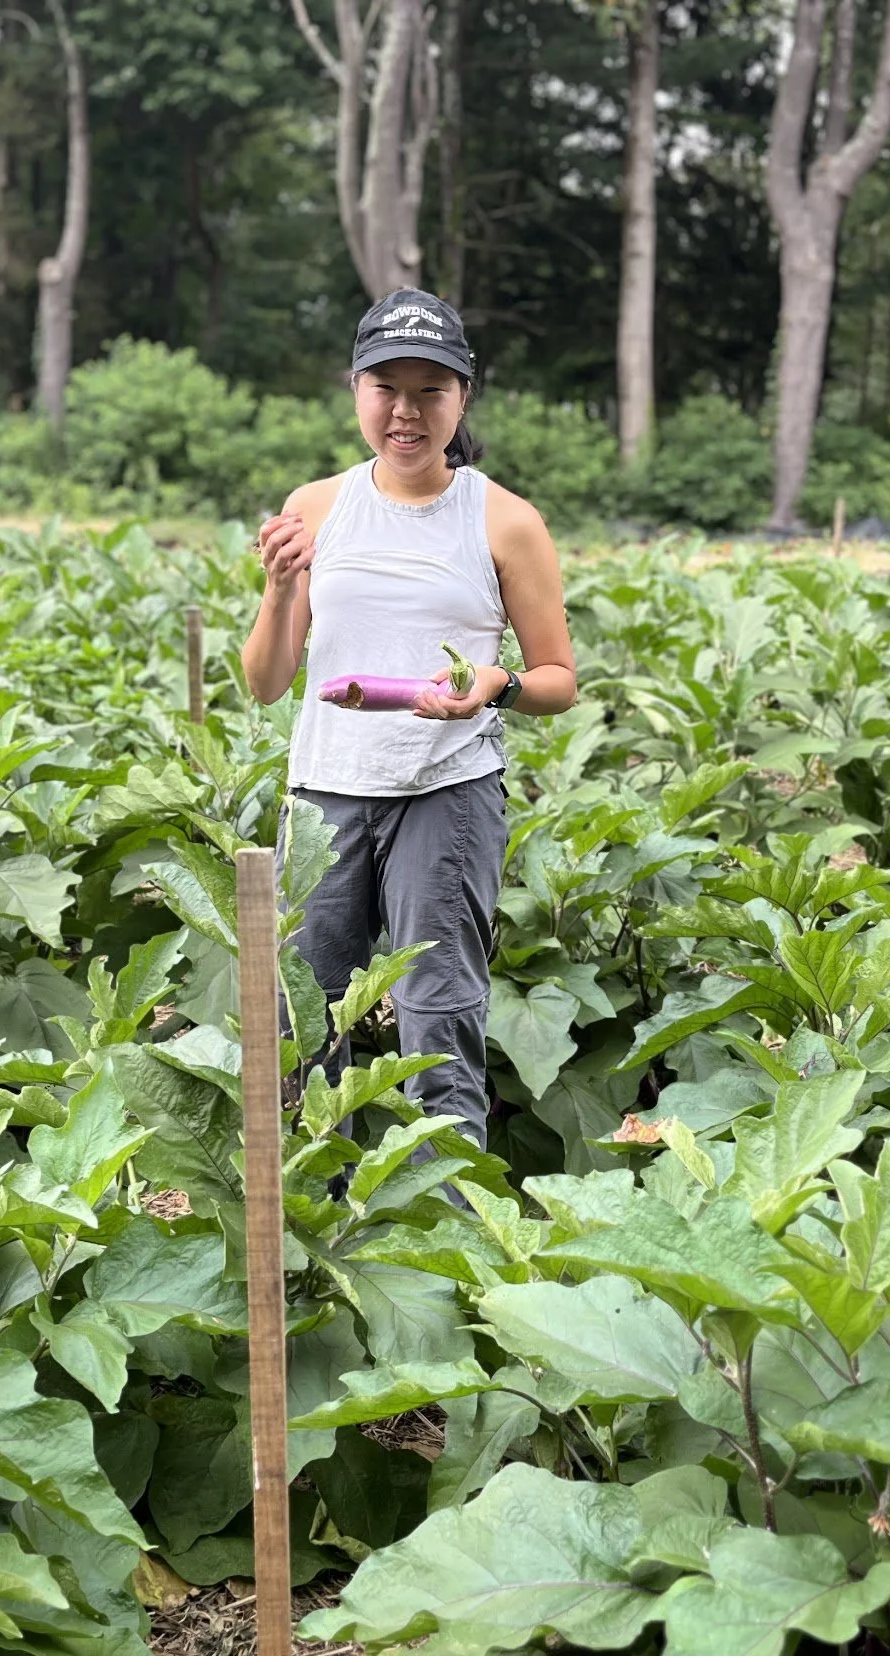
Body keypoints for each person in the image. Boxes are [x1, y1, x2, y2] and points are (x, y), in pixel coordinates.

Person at [240, 288, 577, 1152]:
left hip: (447, 792)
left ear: (462, 398)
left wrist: (493, 684)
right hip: (325, 796)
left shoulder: (505, 520)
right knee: (301, 1023)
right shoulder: (316, 507)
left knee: (439, 1022)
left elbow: (557, 679)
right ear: (356, 388)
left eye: (431, 389)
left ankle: (444, 1239)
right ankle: (315, 1226)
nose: (406, 411)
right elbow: (269, 681)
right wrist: (281, 592)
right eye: (387, 385)